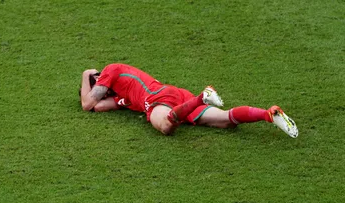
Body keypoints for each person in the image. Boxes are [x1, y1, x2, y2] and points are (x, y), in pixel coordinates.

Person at [80, 63, 298, 138]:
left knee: (166, 126)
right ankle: (269, 115)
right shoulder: (121, 96)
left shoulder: (110, 71)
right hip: (175, 95)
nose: (102, 93)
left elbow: (87, 104)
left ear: (99, 80)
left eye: (98, 87)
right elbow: (97, 107)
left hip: (159, 98)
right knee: (225, 121)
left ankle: (202, 97)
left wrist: (85, 74)